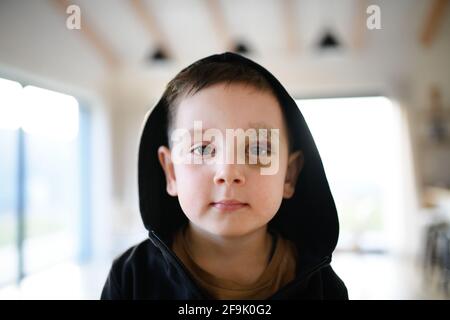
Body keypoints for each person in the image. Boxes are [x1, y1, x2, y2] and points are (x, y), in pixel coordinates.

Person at [101, 52, 348, 299]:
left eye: (258, 149)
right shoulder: (131, 279)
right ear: (171, 172)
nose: (228, 173)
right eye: (202, 149)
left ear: (289, 176)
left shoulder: (323, 289)